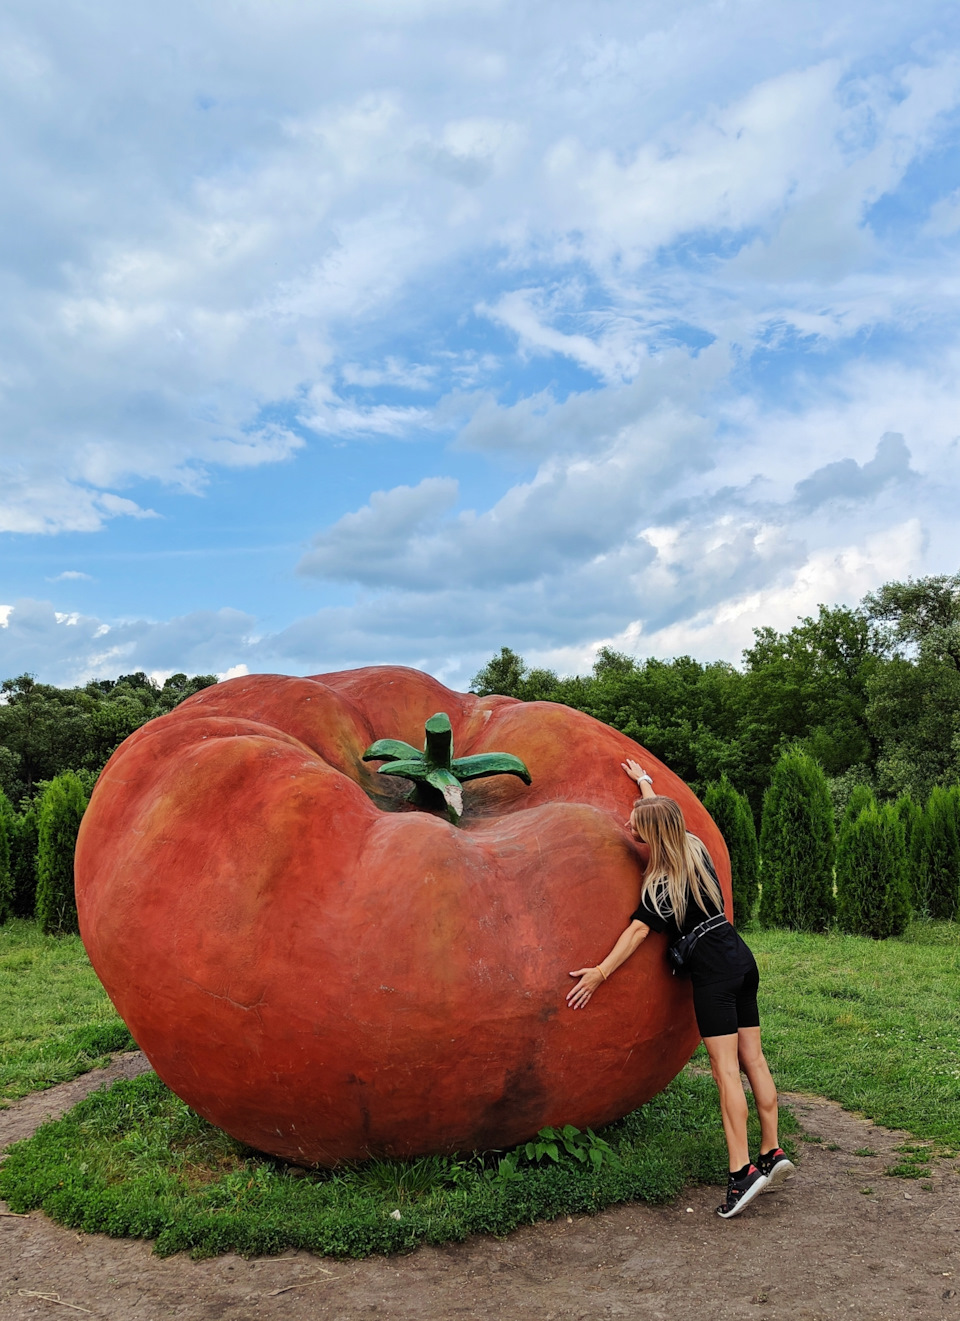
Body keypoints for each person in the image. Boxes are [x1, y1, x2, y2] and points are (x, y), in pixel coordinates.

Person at [566, 758, 794, 1219]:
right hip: (739, 956)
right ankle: (772, 1152)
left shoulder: (661, 888)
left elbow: (635, 933)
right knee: (755, 1059)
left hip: (712, 971)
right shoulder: (693, 848)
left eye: (636, 821)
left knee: (726, 1072)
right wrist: (645, 784)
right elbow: (666, 820)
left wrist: (600, 973)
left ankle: (741, 1173)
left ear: (650, 833)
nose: (629, 822)